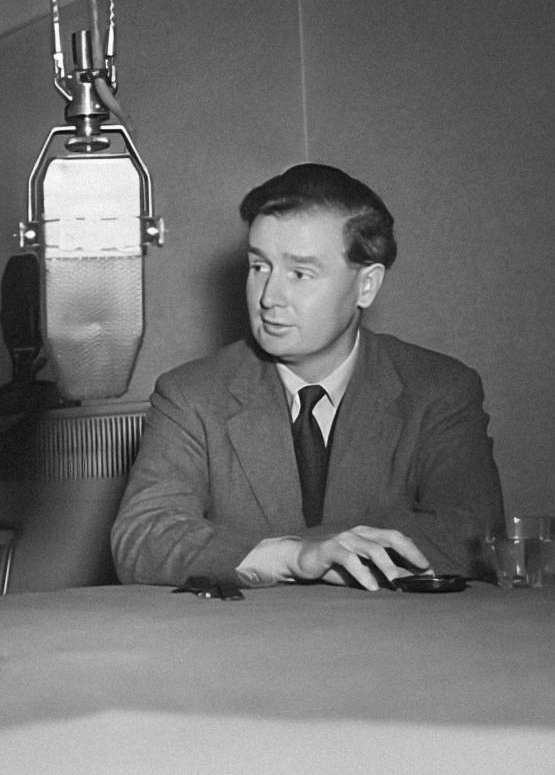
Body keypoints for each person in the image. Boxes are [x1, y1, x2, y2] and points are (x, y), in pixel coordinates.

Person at [111, 163, 503, 591]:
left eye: (300, 273)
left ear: (366, 286)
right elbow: (142, 539)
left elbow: (472, 535)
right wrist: (297, 556)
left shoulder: (439, 389)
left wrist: (310, 550)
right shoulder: (190, 394)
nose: (269, 297)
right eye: (259, 267)